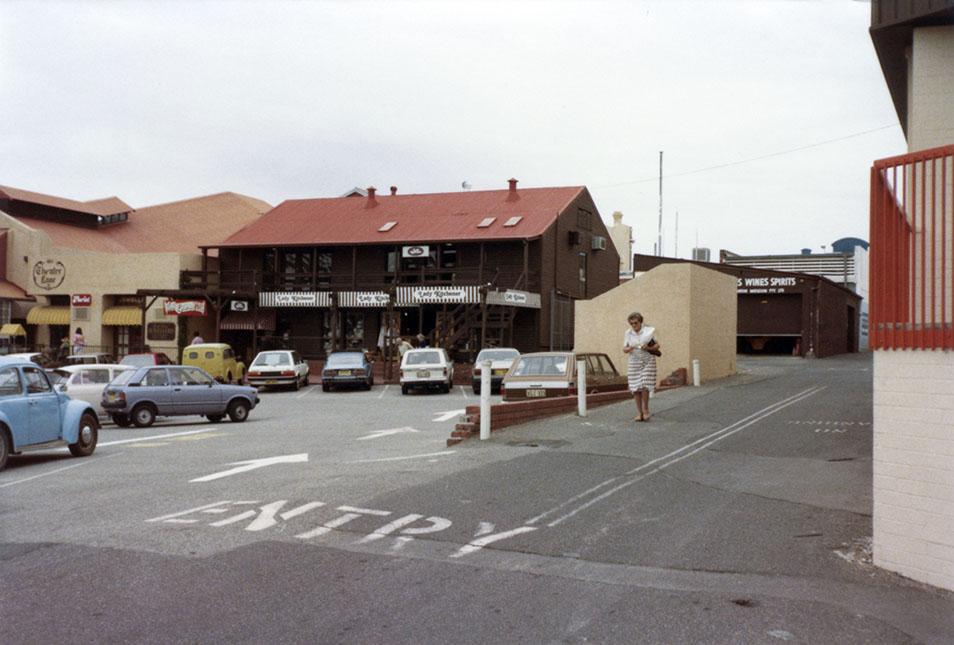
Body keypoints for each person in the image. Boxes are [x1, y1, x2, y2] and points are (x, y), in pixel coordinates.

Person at [622, 311, 659, 423]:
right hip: (634, 362)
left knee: (644, 385)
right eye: (631, 323)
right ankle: (639, 413)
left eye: (636, 323)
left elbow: (657, 345)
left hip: (647, 360)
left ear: (640, 322)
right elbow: (624, 348)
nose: (634, 326)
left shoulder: (649, 331)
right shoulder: (628, 333)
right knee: (635, 387)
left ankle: (646, 409)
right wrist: (629, 349)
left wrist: (648, 347)